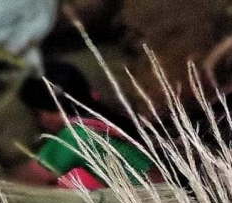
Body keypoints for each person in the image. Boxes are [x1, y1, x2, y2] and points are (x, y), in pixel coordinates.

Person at [12, 61, 157, 190]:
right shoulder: (108, 120)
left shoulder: (75, 136)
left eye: (35, 114)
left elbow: (19, 185)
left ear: (44, 112)